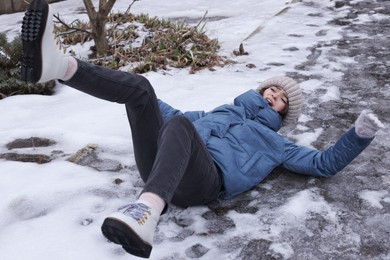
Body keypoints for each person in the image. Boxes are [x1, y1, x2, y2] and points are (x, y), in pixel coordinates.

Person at [20, 0, 384, 258]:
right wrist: (140, 100)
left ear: (283, 115)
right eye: (272, 90)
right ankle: (62, 67)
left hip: (203, 183)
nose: (274, 95)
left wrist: (359, 135)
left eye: (281, 100)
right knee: (143, 90)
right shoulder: (221, 111)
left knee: (178, 125)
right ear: (261, 90)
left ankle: (146, 212)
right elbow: (172, 113)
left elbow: (324, 164)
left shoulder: (277, 143)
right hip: (162, 167)